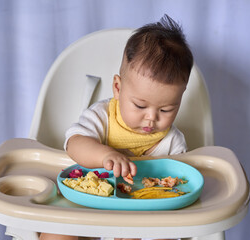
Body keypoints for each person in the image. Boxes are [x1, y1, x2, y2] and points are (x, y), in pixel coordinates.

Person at [39, 14, 193, 240]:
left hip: (143, 217)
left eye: (166, 110)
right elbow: (74, 144)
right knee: (56, 232)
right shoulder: (102, 116)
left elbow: (180, 183)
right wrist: (107, 155)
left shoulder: (172, 141)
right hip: (90, 206)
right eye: (140, 105)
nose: (151, 118)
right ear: (118, 88)